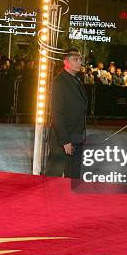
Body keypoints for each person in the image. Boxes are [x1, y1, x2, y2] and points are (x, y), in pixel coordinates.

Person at [45, 48, 87, 179]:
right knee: (54, 177)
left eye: (80, 59)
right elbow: (57, 113)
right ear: (66, 61)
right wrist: (65, 141)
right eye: (75, 59)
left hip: (77, 136)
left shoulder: (77, 81)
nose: (79, 62)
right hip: (62, 140)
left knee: (72, 177)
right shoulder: (59, 82)